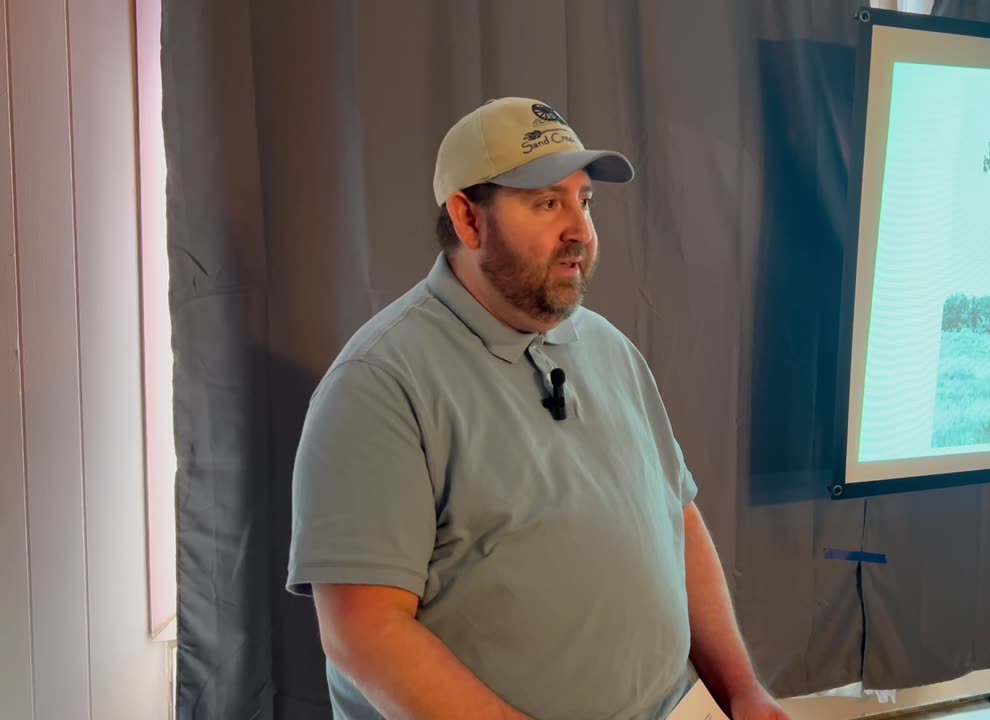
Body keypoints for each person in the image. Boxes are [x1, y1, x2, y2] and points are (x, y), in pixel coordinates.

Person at [286, 97, 789, 720]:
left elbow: (676, 519)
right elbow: (364, 631)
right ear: (469, 220)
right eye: (547, 203)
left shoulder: (608, 348)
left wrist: (742, 690)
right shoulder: (379, 384)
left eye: (585, 201)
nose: (580, 229)